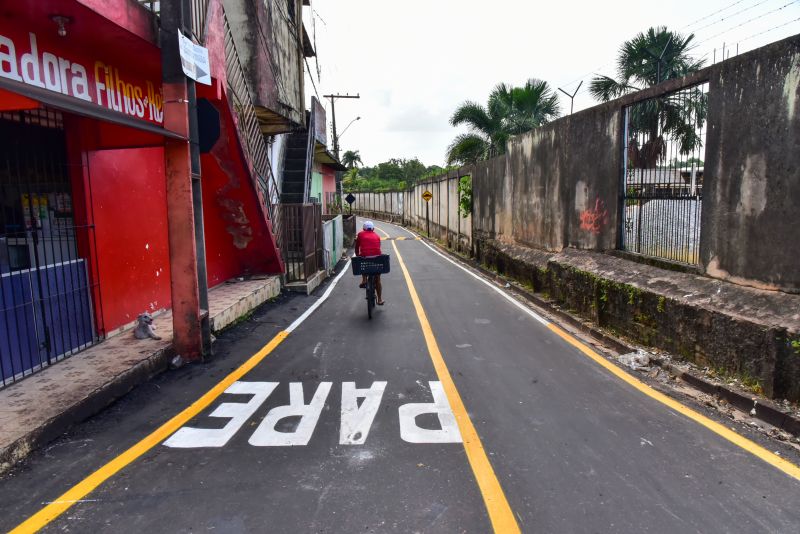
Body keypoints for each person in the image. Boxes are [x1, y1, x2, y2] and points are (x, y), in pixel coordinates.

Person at [355, 220, 385, 305]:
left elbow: (357, 247)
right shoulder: (377, 236)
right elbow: (378, 247)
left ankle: (364, 280)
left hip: (365, 257)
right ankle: (379, 299)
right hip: (376, 258)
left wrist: (357, 255)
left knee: (363, 262)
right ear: (373, 229)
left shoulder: (360, 234)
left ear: (364, 228)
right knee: (378, 279)